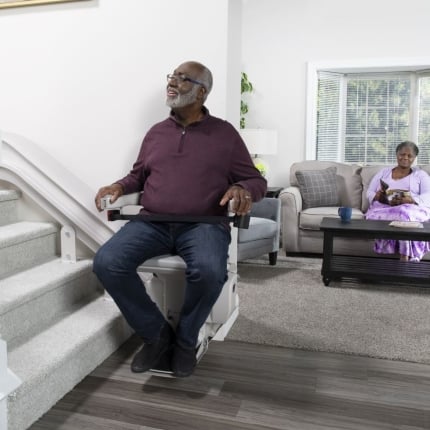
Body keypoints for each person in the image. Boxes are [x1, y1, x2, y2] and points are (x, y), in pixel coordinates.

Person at [93, 61, 267, 377]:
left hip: (204, 224)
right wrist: (118, 186)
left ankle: (186, 339)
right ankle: (156, 335)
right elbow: (138, 176)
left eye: (183, 79)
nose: (173, 82)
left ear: (202, 92)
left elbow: (257, 181)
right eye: (172, 76)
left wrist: (242, 188)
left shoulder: (224, 134)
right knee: (107, 262)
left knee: (210, 270)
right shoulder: (156, 133)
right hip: (152, 222)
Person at [365, 141, 430, 262]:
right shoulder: (384, 172)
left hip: (411, 208)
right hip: (384, 207)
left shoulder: (420, 175)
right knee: (400, 213)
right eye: (402, 154)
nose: (405, 157)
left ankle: (405, 256)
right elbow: (369, 192)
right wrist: (377, 196)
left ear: (414, 158)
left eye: (409, 155)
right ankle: (404, 256)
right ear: (396, 155)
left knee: (404, 213)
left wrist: (411, 200)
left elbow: (428, 195)